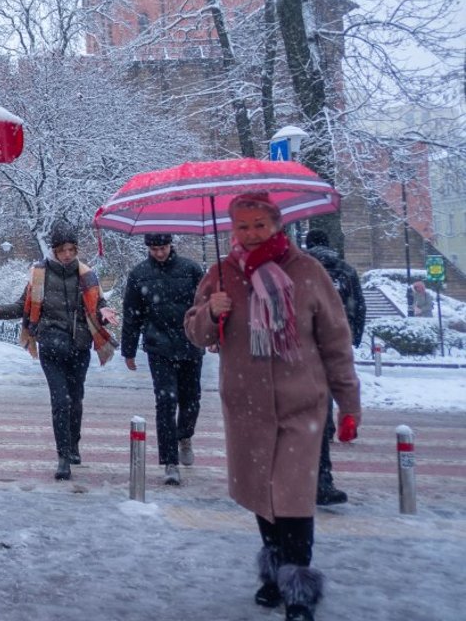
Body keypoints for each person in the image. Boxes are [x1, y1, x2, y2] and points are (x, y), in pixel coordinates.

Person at [184, 193, 360, 621]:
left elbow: (336, 343)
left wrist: (349, 404)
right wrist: (211, 311)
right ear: (232, 229)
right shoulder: (222, 274)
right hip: (246, 406)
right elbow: (196, 333)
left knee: (293, 495)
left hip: (303, 402)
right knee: (262, 493)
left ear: (277, 223)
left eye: (259, 223)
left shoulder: (308, 272)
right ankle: (274, 569)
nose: (251, 232)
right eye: (242, 225)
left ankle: (298, 586)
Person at [0, 224, 116, 481]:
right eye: (62, 250)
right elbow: (24, 305)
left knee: (75, 400)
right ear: (54, 250)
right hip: (51, 347)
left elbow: (99, 306)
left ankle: (74, 443)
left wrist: (105, 314)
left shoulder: (87, 276)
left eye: (71, 249)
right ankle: (63, 456)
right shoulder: (39, 275)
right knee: (60, 401)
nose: (67, 254)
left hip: (79, 348)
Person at [120, 233, 205, 487]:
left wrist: (211, 334)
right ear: (148, 248)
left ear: (171, 245)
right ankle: (170, 461)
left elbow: (204, 305)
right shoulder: (139, 274)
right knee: (165, 401)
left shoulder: (191, 270)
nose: (160, 253)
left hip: (191, 344)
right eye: (155, 249)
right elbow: (132, 314)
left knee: (191, 400)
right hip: (159, 348)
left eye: (164, 247)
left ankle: (185, 436)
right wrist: (129, 350)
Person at [303, 228, 366, 506]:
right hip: (336, 341)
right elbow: (358, 305)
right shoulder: (344, 270)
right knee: (326, 392)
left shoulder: (302, 269)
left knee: (317, 401)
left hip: (307, 345)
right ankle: (322, 479)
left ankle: (317, 476)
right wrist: (354, 335)